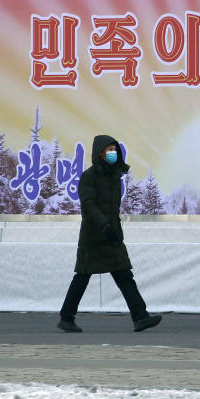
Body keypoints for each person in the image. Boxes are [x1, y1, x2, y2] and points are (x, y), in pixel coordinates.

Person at [57, 135, 162, 333]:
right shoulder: (89, 177)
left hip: (112, 235)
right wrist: (104, 225)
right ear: (100, 152)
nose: (113, 153)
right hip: (93, 236)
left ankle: (140, 317)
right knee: (82, 276)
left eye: (115, 149)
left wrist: (113, 229)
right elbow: (89, 206)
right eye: (109, 150)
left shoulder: (114, 176)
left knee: (124, 275)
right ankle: (66, 317)